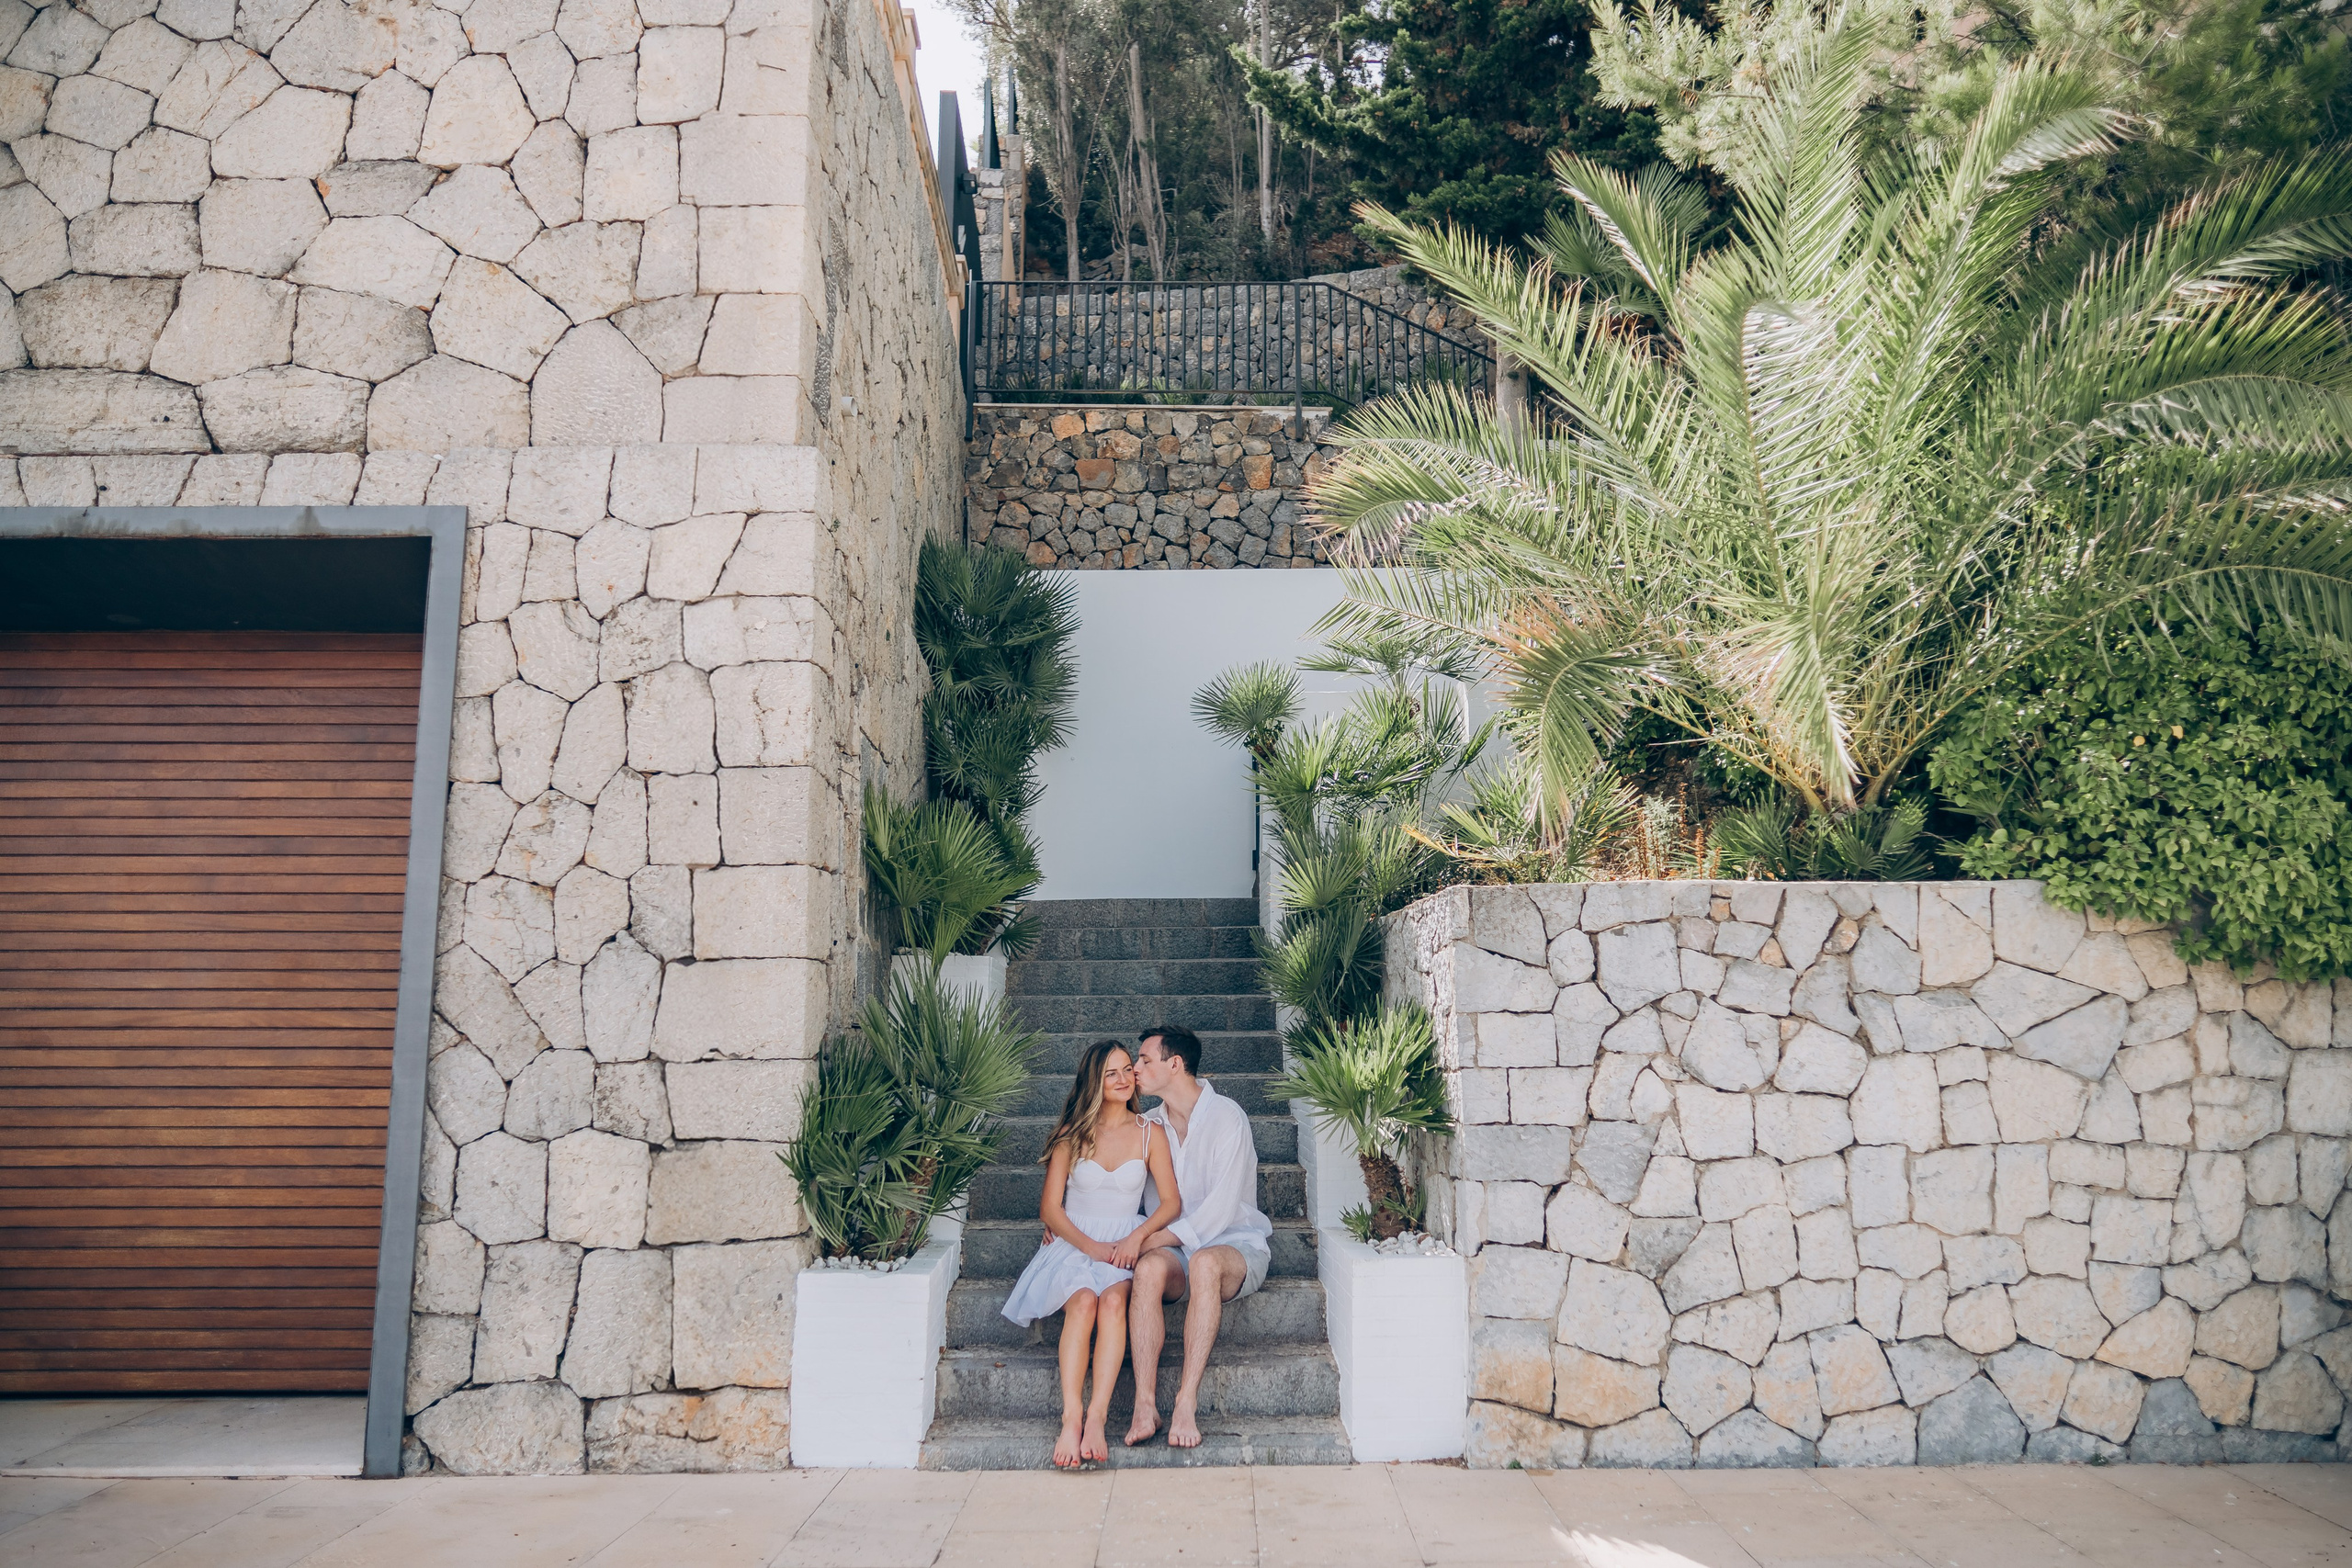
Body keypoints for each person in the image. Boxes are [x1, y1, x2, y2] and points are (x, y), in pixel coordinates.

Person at [1000, 1039, 1181, 1468]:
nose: (1122, 1079)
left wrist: (1136, 1239)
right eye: (1110, 1074)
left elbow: (1171, 1203)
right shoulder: (1071, 1134)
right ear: (1093, 1083)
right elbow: (1050, 1208)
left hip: (1123, 1241)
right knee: (1083, 1305)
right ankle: (1071, 1418)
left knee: (1115, 1303)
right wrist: (1091, 1247)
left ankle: (1097, 1418)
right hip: (1075, 1241)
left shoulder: (1150, 1133)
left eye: (1126, 1069)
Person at [1124, 1024, 1273, 1449]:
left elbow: (1219, 1212)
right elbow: (1114, 1181)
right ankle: (1145, 1403)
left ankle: (1185, 1401)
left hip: (1236, 1246)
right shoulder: (1147, 1125)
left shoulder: (1228, 1117)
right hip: (1174, 1255)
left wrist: (1148, 1238)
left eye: (1144, 1060)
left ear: (1175, 1064)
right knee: (1148, 1271)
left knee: (1205, 1262)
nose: (1135, 1069)